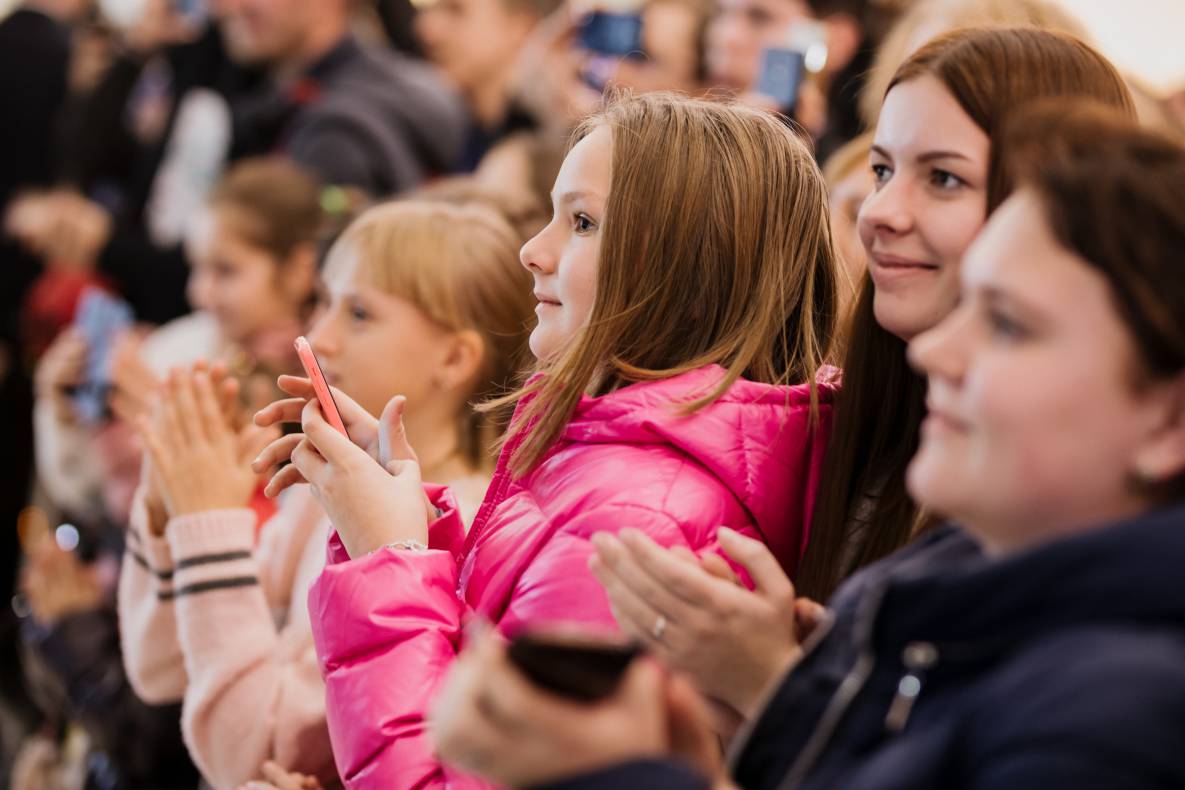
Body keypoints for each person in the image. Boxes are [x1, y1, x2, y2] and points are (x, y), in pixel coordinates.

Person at [429, 97, 1185, 790]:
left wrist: (387, 561)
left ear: (1167, 421)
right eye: (881, 169)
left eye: (1008, 323)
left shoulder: (1118, 714)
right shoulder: (943, 605)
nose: (932, 352)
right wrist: (766, 716)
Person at [545, 27, 1138, 738]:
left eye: (941, 178)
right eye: (883, 170)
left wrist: (772, 683)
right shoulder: (857, 431)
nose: (879, 213)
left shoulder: (1069, 503)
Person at [249, 91, 838, 787]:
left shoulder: (634, 523)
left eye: (582, 222)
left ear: (683, 267)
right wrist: (418, 529)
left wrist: (390, 555)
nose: (533, 251)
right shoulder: (606, 468)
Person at [117, 196, 534, 788]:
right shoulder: (335, 486)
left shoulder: (450, 523)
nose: (318, 337)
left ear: (455, 357)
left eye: (359, 314)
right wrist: (171, 504)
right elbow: (162, 669)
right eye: (323, 303)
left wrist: (209, 525)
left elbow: (254, 753)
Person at [5, 0, 469, 324]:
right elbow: (93, 151)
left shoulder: (337, 129)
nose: (224, 7)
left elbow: (291, 309)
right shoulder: (255, 84)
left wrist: (108, 249)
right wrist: (139, 51)